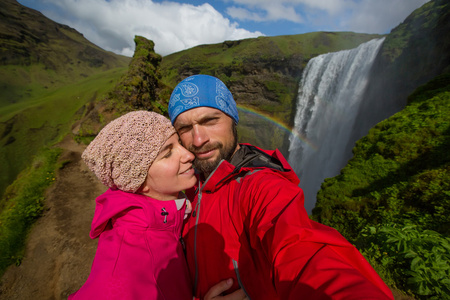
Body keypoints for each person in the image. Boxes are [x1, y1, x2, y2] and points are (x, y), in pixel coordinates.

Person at [168, 74, 394, 299]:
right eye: (185, 128)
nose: (198, 139)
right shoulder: (184, 186)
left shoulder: (262, 186)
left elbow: (300, 248)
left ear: (232, 119)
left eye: (210, 121)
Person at [69, 111, 196, 299]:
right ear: (140, 182)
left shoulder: (164, 213)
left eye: (179, 143)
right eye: (167, 153)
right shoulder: (125, 269)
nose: (188, 155)